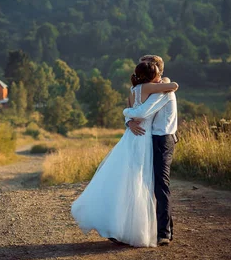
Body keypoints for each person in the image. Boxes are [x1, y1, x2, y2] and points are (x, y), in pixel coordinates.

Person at [71, 61, 178, 247]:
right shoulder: (154, 89)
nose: (160, 77)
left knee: (136, 182)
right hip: (143, 139)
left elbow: (137, 109)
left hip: (147, 138)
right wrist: (128, 115)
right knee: (139, 183)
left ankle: (153, 230)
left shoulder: (136, 89)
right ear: (151, 76)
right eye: (157, 74)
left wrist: (127, 116)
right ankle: (132, 229)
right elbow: (143, 112)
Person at [124, 55, 178, 246]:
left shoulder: (162, 92)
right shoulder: (154, 89)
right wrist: (128, 121)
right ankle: (148, 228)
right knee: (145, 183)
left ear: (157, 71)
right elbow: (136, 110)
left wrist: (128, 115)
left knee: (160, 185)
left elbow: (140, 112)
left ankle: (164, 232)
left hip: (162, 139)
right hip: (149, 139)